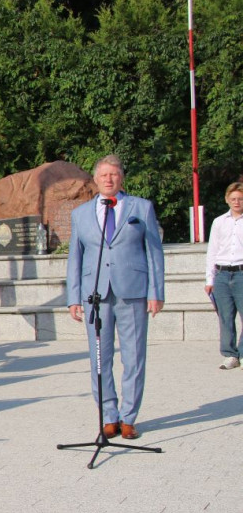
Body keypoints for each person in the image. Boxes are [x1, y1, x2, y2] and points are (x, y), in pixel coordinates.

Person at [66, 154, 165, 440]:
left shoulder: (141, 208)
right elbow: (76, 257)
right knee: (100, 358)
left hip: (132, 292)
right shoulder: (81, 214)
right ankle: (109, 416)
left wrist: (156, 292)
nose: (109, 179)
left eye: (114, 174)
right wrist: (74, 297)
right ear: (95, 180)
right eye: (104, 175)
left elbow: (154, 252)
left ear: (122, 177)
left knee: (134, 357)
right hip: (95, 294)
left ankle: (129, 417)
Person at [205, 182, 243, 370]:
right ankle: (230, 355)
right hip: (221, 274)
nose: (237, 202)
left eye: (240, 199)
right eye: (233, 198)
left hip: (241, 272)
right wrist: (209, 279)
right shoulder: (219, 222)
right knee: (225, 317)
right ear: (227, 200)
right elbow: (212, 251)